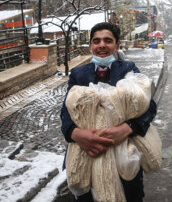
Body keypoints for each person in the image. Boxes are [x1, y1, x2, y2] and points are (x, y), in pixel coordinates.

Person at [60, 22, 157, 202]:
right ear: (90, 46)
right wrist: (75, 133)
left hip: (123, 157)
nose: (102, 45)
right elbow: (67, 110)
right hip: (87, 154)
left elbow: (149, 107)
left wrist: (128, 128)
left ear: (117, 46)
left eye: (107, 40)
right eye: (96, 41)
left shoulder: (129, 70)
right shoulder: (78, 74)